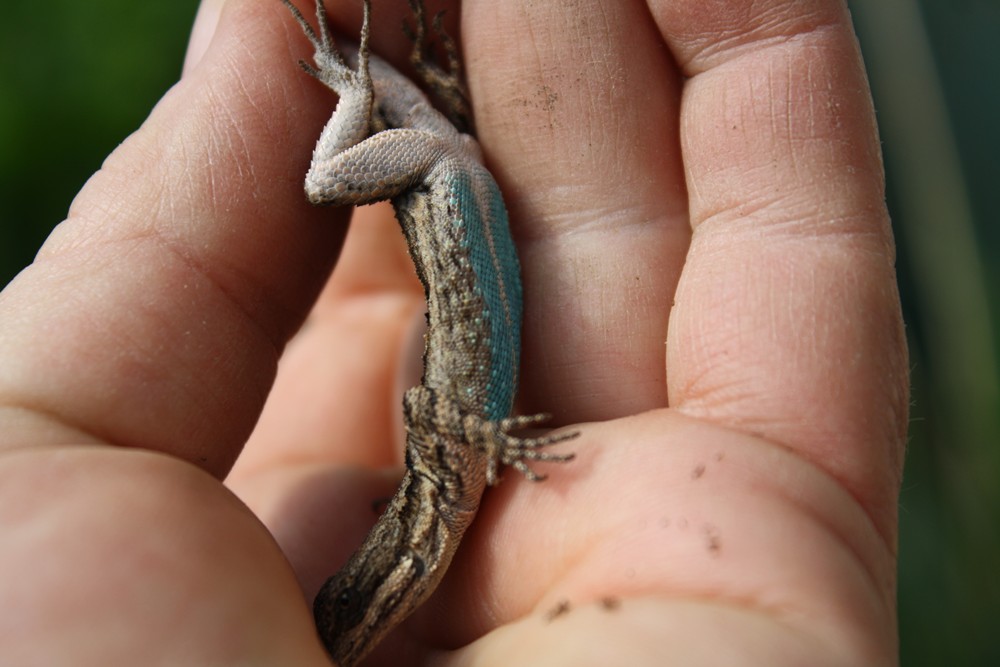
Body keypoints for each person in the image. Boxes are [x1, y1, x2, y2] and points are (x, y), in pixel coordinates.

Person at [0, 0, 907, 664]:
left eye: (362, 603)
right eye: (361, 610)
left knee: (329, 180)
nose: (378, 599)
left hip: (436, 174)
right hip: (446, 167)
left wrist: (488, 439)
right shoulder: (436, 499)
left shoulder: (436, 490)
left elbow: (435, 418)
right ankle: (358, 79)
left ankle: (351, 81)